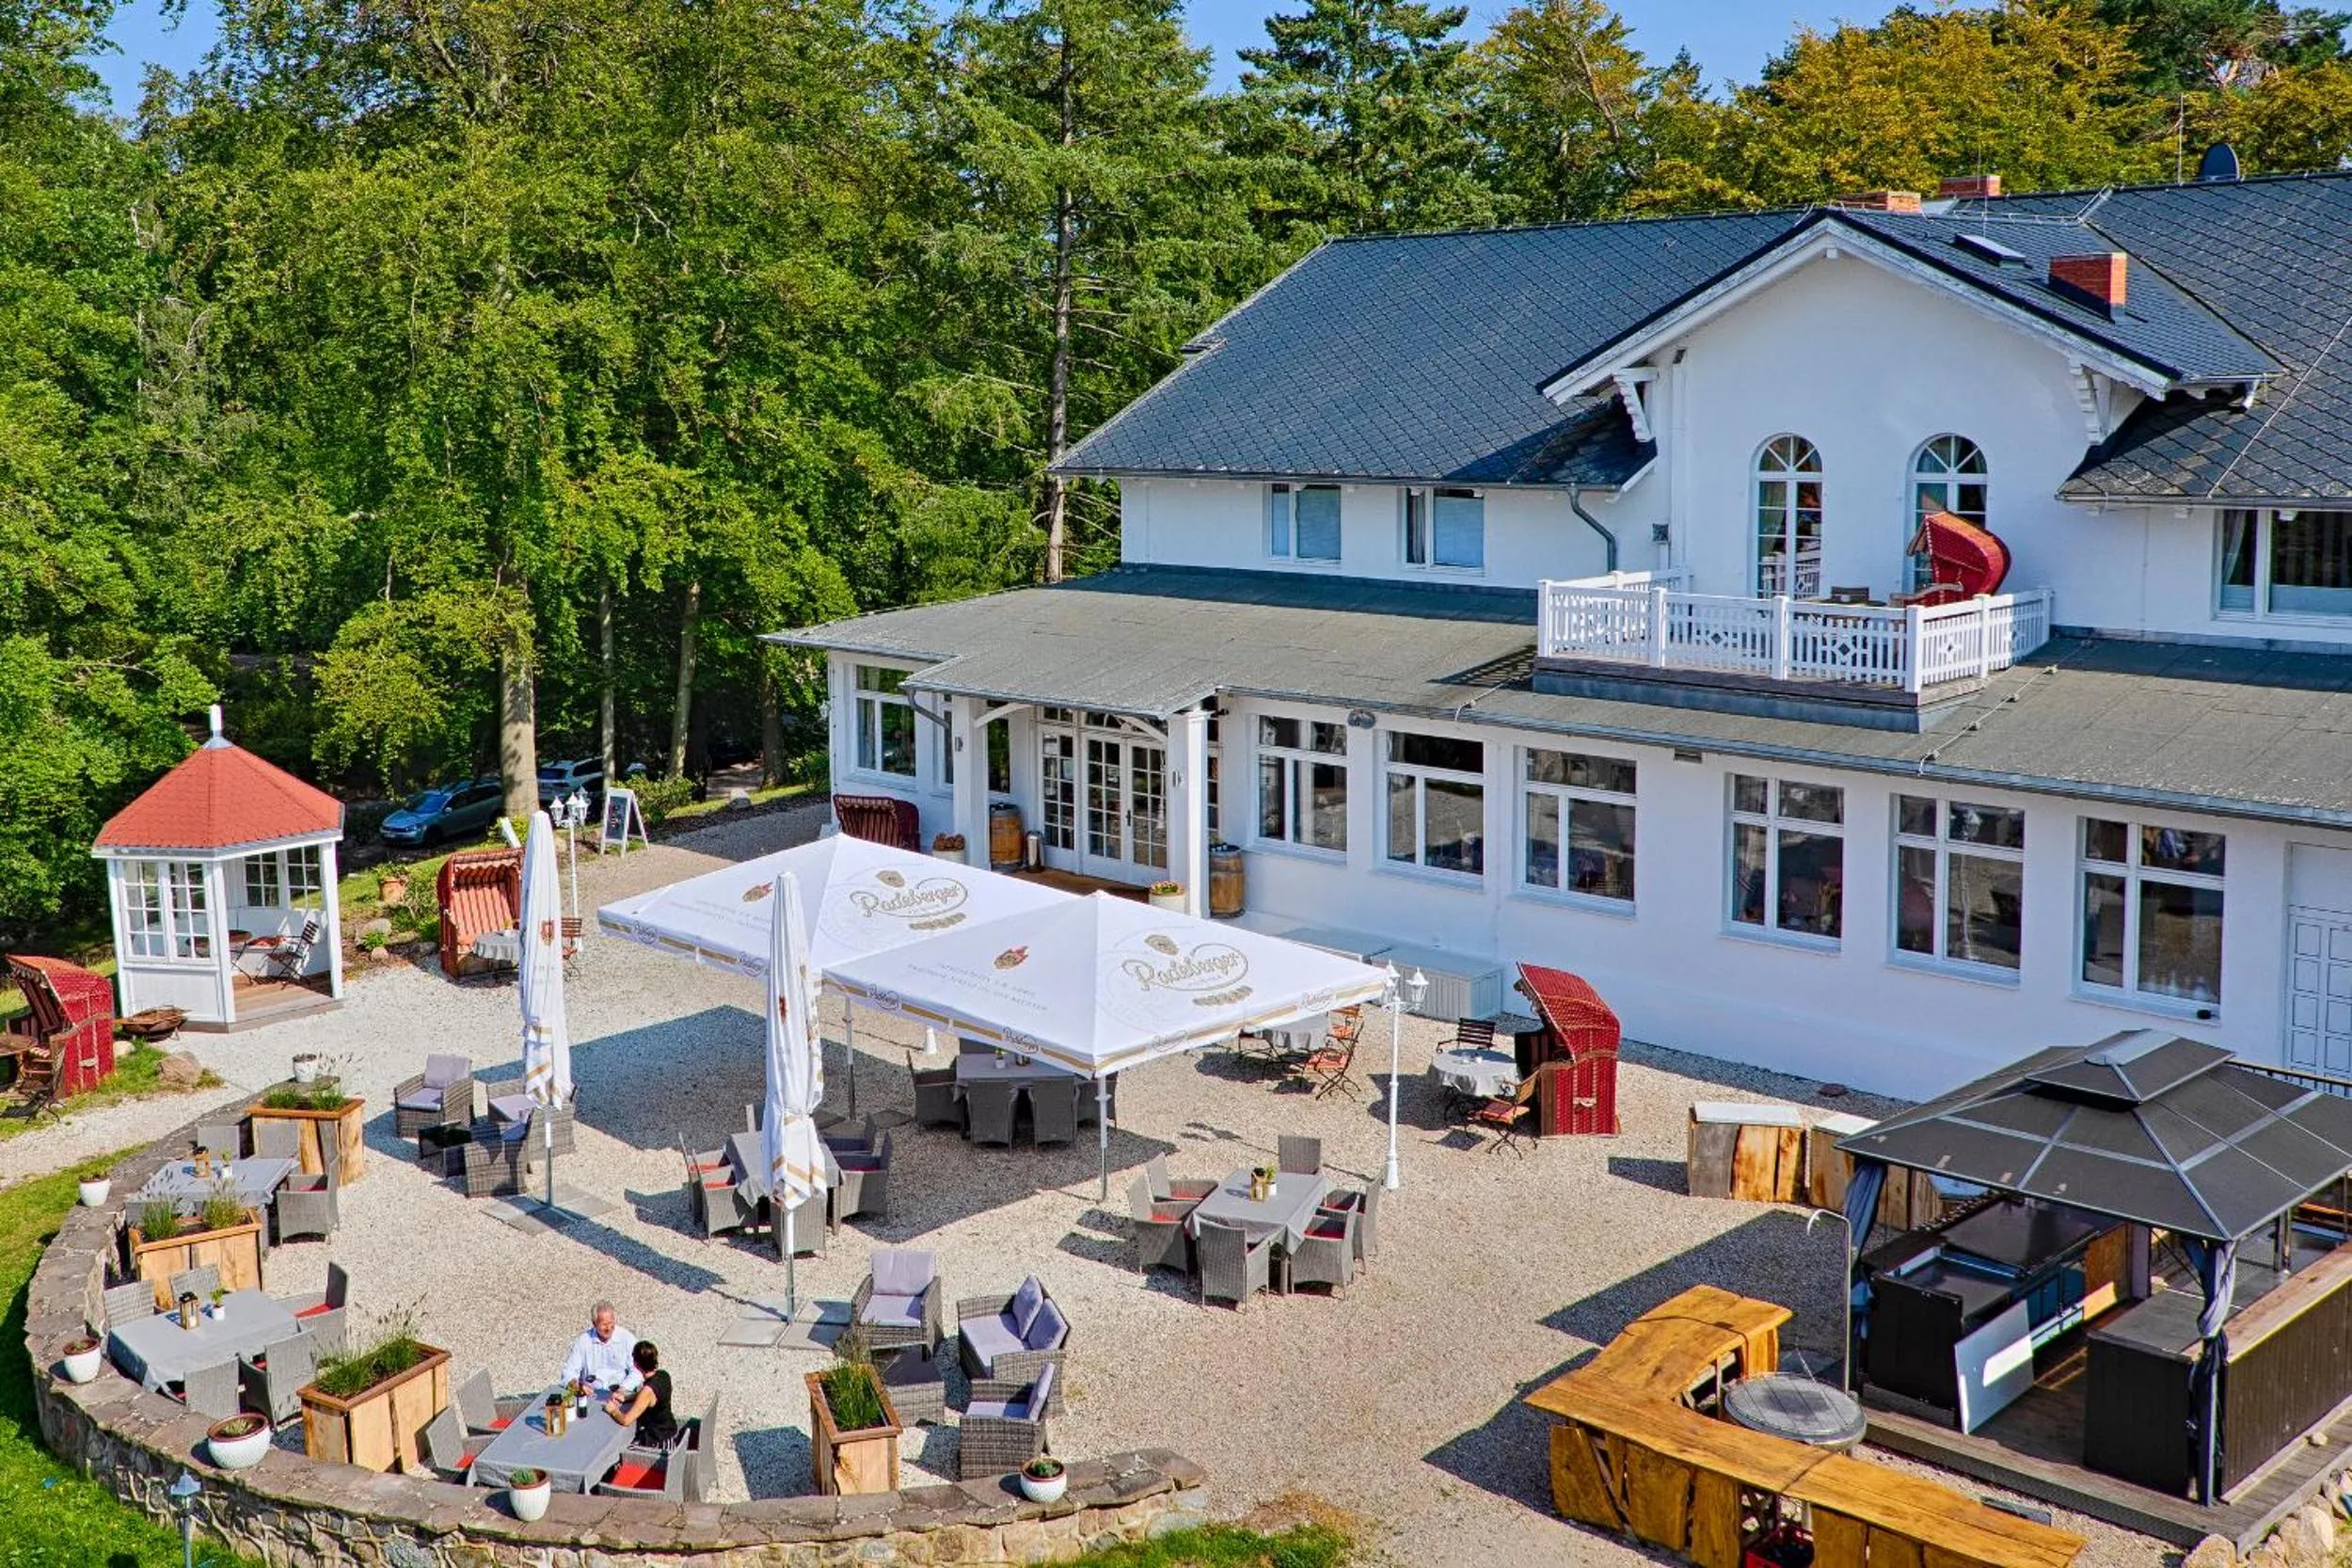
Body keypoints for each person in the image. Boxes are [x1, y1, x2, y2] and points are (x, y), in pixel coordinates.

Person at [604, 1340, 677, 1449]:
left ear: (636, 1364)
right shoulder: (663, 1375)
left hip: (657, 1442)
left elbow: (626, 1420)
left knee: (620, 1450)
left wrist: (613, 1410)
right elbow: (649, 1398)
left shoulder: (647, 1391)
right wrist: (625, 1397)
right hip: (668, 1432)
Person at [562, 1301, 639, 1395]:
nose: (609, 1328)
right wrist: (578, 1387)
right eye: (604, 1324)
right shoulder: (583, 1341)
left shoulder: (627, 1338)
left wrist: (624, 1388)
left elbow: (637, 1370)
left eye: (611, 1323)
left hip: (620, 1393)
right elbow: (569, 1372)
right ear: (594, 1324)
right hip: (590, 1394)